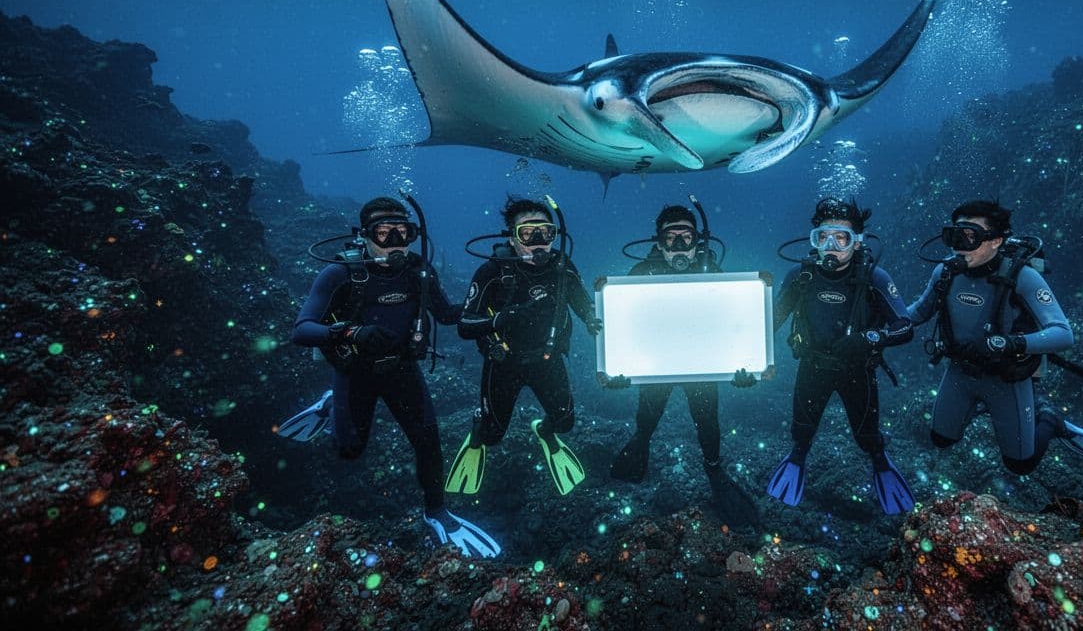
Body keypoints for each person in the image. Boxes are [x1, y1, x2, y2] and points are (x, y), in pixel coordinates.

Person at [285, 196, 501, 558]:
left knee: (429, 442)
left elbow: (446, 314)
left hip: (401, 368)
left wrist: (493, 309)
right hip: (355, 371)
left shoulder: (418, 271)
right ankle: (330, 404)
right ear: (365, 235)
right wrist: (351, 333)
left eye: (404, 233)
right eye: (384, 233)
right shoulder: (340, 273)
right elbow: (301, 330)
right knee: (349, 450)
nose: (395, 242)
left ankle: (437, 512)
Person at [902, 199, 1083, 477]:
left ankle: (1049, 419)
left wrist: (1014, 343)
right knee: (941, 439)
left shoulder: (1023, 277)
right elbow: (919, 311)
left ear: (996, 240)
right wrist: (884, 324)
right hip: (959, 371)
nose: (959, 245)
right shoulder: (945, 271)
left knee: (1020, 465)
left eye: (970, 237)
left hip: (1005, 378)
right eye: (954, 235)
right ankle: (980, 408)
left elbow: (1063, 334)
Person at [608, 204, 760, 527]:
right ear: (659, 242)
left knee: (707, 421)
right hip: (656, 363)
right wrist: (617, 368)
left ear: (697, 241)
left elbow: (732, 322)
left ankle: (714, 470)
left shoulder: (711, 271)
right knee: (647, 416)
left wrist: (744, 366)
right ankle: (640, 443)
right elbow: (622, 324)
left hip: (699, 363)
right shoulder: (640, 274)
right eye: (671, 237)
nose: (678, 245)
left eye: (686, 237)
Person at [766, 198, 918, 515]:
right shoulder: (801, 276)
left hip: (857, 370)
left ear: (857, 242)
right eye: (823, 237)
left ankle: (880, 461)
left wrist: (870, 338)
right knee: (801, 432)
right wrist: (744, 362)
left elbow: (905, 327)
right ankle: (797, 457)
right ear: (814, 240)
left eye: (841, 238)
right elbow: (768, 325)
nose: (831, 247)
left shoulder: (875, 278)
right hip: (812, 367)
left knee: (867, 436)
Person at [446, 196, 602, 497]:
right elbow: (465, 325)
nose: (538, 241)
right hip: (504, 363)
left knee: (565, 423)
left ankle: (543, 430)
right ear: (512, 238)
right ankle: (479, 428)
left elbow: (581, 301)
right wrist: (501, 319)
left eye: (546, 232)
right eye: (528, 233)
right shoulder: (492, 272)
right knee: (493, 436)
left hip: (548, 358)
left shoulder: (561, 266)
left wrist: (590, 319)